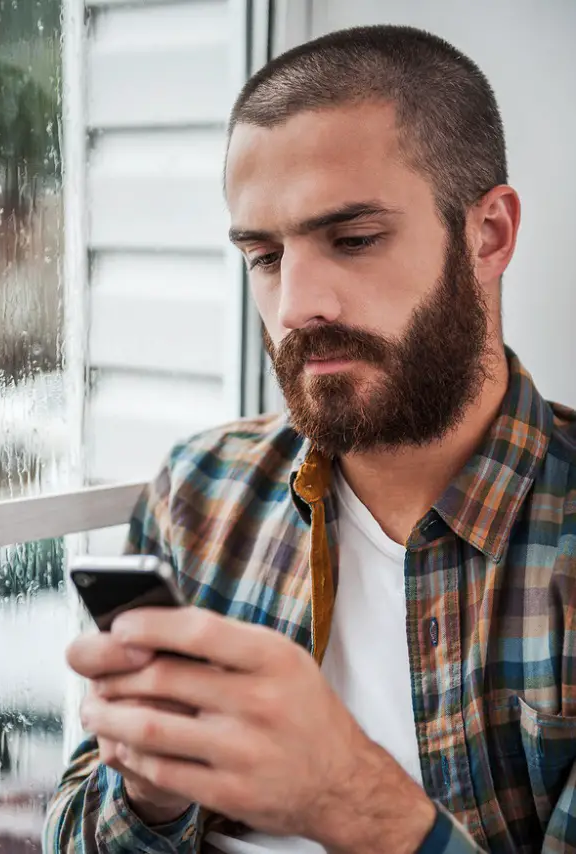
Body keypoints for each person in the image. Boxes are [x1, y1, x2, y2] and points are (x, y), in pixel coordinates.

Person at [43, 24, 576, 854]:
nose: (295, 304)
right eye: (263, 254)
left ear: (490, 235)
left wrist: (348, 797)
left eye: (353, 239)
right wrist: (148, 789)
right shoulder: (200, 493)